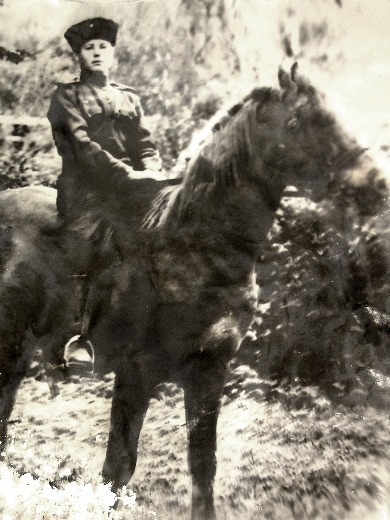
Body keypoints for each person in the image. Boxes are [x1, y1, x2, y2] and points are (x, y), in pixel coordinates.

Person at [47, 17, 166, 372]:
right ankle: (77, 338)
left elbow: (146, 144)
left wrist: (153, 172)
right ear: (79, 56)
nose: (97, 53)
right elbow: (83, 149)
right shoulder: (66, 96)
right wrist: (128, 176)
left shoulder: (129, 97)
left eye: (103, 47)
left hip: (132, 189)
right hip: (86, 191)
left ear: (113, 55)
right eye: (89, 48)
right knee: (97, 242)